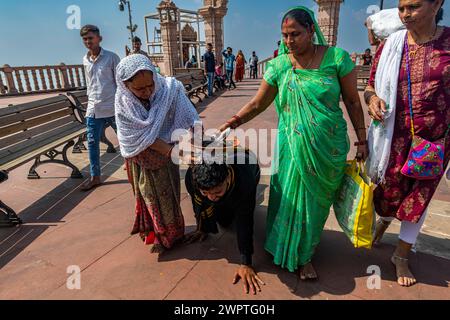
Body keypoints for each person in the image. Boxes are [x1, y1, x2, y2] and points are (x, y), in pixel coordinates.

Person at [219, 6, 368, 280]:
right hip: (291, 146)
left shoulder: (337, 59)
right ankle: (282, 247)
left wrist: (362, 138)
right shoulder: (279, 65)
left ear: (311, 30)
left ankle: (305, 255)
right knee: (287, 197)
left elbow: (351, 101)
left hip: (327, 146)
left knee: (314, 203)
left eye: (295, 34)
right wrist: (234, 121)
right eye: (284, 35)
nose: (289, 41)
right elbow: (258, 102)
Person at [365, 0, 448, 287]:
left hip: (435, 140)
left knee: (418, 199)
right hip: (394, 137)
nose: (405, 14)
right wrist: (373, 100)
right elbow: (370, 85)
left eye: (413, 7)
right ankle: (384, 221)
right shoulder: (391, 44)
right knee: (388, 195)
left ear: (436, 4)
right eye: (401, 8)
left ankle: (401, 254)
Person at [115, 54, 199, 254]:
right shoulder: (123, 104)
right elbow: (144, 138)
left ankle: (173, 233)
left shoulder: (168, 89)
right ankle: (159, 235)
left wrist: (191, 145)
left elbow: (188, 117)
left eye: (150, 85)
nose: (147, 91)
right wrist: (175, 152)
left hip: (166, 156)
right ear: (126, 86)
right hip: (142, 159)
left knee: (169, 194)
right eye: (140, 89)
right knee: (150, 196)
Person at [184, 151, 265, 295]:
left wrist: (246, 262)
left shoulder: (245, 181)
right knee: (218, 212)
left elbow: (244, 221)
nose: (211, 197)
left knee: (231, 218)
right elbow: (199, 204)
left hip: (249, 164)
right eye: (206, 193)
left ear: (228, 177)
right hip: (227, 158)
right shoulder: (192, 178)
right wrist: (202, 228)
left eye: (217, 192)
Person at [80, 25, 120, 191]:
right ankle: (95, 176)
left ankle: (134, 169)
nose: (88, 41)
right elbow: (90, 84)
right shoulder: (85, 59)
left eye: (91, 37)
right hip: (93, 109)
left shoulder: (111, 58)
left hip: (113, 108)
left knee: (125, 140)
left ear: (99, 38)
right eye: (85, 39)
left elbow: (120, 82)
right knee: (92, 143)